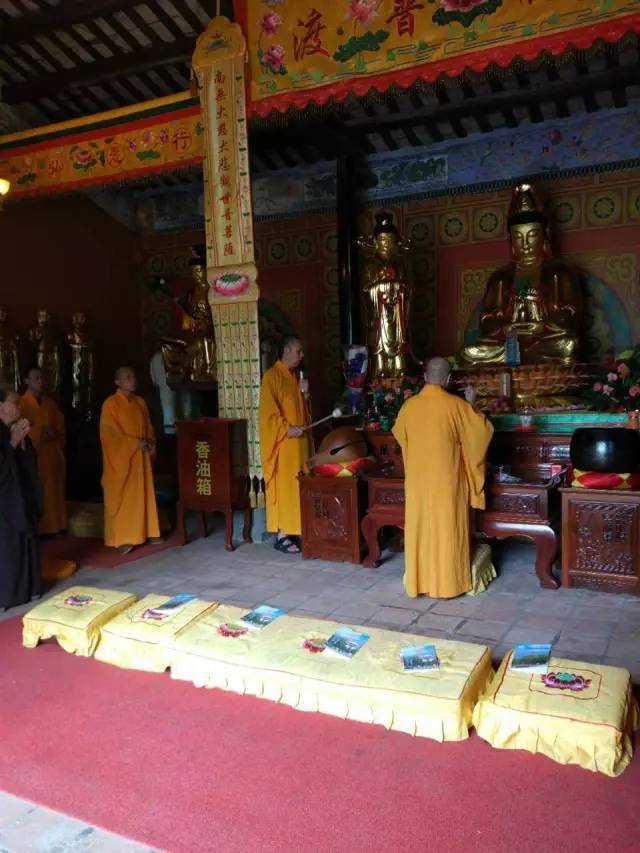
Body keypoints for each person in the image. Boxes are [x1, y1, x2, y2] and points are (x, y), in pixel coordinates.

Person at [392, 357, 493, 598]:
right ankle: (448, 584)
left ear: (425, 377)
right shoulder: (456, 405)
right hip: (447, 481)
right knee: (448, 527)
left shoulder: (409, 406)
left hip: (418, 481)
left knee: (421, 528)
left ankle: (419, 581)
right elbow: (481, 434)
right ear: (448, 379)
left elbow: (399, 434)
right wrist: (472, 405)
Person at [100, 366, 161, 555]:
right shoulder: (110, 405)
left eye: (133, 376)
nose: (132, 380)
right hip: (123, 460)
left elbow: (148, 427)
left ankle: (148, 531)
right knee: (125, 497)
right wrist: (135, 443)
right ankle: (122, 538)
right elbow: (109, 435)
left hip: (140, 459)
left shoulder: (140, 402)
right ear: (117, 382)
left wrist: (150, 442)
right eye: (127, 377)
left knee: (142, 495)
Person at [259, 336, 312, 554]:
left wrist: (305, 394)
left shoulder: (294, 377)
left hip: (300, 444)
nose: (301, 356)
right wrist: (287, 429)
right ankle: (282, 534)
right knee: (286, 488)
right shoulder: (272, 377)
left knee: (299, 487)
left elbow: (303, 412)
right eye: (298, 351)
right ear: (287, 350)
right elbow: (268, 415)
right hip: (285, 446)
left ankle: (296, 529)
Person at [0, 385, 41, 610]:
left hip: (19, 498)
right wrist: (14, 441)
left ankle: (29, 588)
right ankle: (7, 596)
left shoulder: (11, 428)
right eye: (14, 403)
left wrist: (22, 441)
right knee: (7, 548)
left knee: (25, 541)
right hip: (4, 503)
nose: (19, 406)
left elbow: (26, 465)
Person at [20, 367, 67, 536]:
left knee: (54, 490)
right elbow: (19, 428)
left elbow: (60, 426)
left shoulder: (49, 403)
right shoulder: (22, 403)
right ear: (27, 381)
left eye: (42, 378)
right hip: (35, 455)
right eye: (36, 378)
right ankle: (43, 528)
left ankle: (56, 526)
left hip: (52, 454)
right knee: (39, 491)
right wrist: (39, 432)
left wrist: (54, 432)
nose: (41, 381)